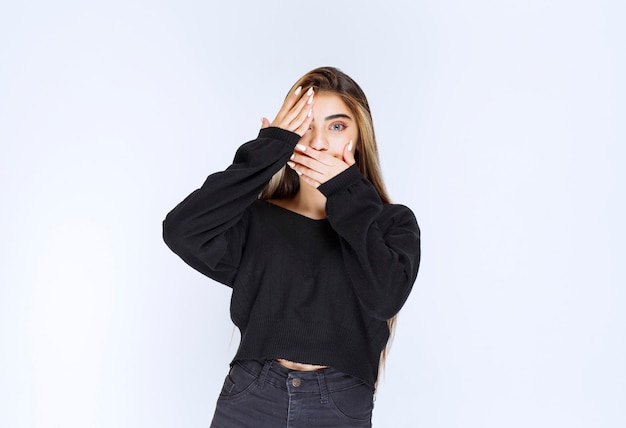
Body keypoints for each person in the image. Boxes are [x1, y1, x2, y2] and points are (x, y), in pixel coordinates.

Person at [163, 66, 420, 427]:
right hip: (251, 397)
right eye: (305, 126)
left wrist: (346, 191)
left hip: (340, 404)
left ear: (360, 136)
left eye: (336, 126)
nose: (317, 142)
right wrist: (268, 149)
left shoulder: (390, 224)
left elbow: (384, 297)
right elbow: (181, 230)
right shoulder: (256, 220)